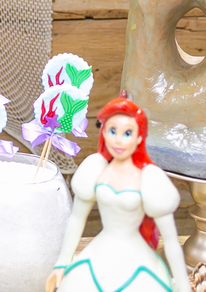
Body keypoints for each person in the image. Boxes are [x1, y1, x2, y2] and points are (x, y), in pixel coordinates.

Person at [46, 96, 189, 292]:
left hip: (137, 260)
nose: (119, 140)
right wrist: (61, 264)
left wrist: (184, 286)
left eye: (127, 133)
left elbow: (171, 240)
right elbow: (77, 219)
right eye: (113, 131)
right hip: (98, 253)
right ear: (104, 132)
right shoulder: (95, 168)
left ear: (139, 138)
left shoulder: (149, 177)